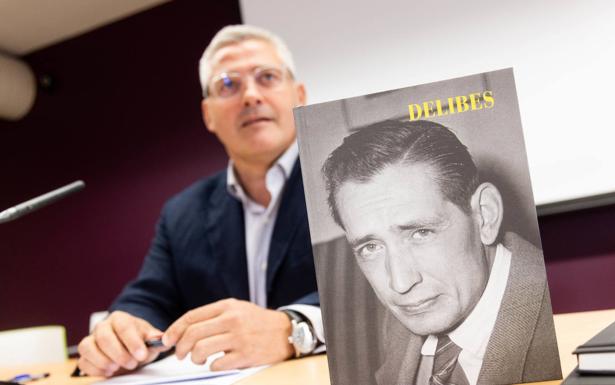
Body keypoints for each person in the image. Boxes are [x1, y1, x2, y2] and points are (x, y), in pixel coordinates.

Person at [77, 25, 322, 377]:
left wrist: (290, 328)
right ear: (208, 114)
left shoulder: (353, 179)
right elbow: (149, 298)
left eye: (267, 77)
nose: (251, 96)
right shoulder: (181, 213)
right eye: (228, 84)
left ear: (299, 95)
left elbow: (374, 295)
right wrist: (123, 329)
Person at [321, 119, 561, 385]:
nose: (400, 283)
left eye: (421, 233)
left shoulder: (559, 322)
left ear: (484, 216)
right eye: (371, 247)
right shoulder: (413, 313)